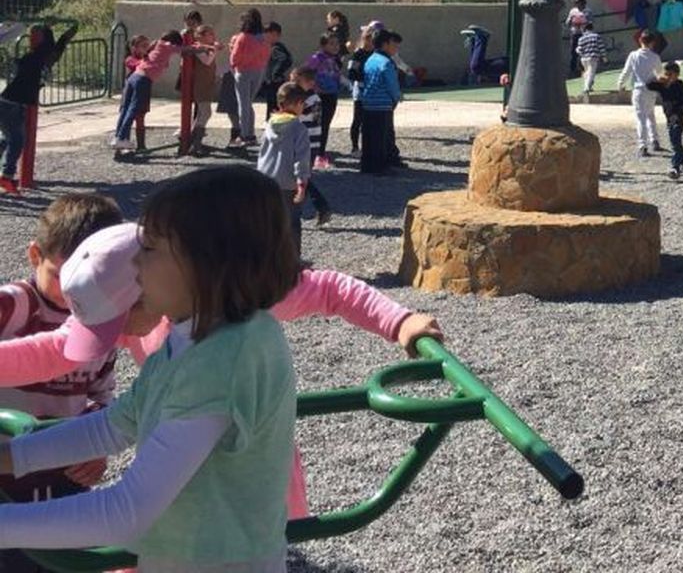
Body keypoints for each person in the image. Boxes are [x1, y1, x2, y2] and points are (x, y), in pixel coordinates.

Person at [0, 218, 442, 531]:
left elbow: (329, 289)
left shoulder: (231, 325)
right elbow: (67, 361)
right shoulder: (152, 327)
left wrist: (397, 321)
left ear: (145, 290)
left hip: (239, 493)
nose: (107, 337)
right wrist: (18, 457)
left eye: (111, 326)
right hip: (178, 475)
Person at [0, 166, 301, 566]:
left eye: (151, 248)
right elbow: (114, 424)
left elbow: (127, 513)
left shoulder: (226, 356)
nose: (136, 264)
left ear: (206, 262)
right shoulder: (191, 337)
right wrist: (13, 456)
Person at [0, 192, 124, 557]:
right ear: (35, 255)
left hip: (61, 469)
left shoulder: (104, 321)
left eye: (92, 280)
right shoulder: (15, 306)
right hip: (5, 467)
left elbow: (102, 395)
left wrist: (97, 448)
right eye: (63, 275)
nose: (75, 292)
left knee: (64, 559)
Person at [0, 23, 76, 190]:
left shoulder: (43, 56)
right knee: (17, 140)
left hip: (14, 102)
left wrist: (65, 31)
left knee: (8, 139)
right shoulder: (34, 57)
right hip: (11, 102)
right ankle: (7, 176)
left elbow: (61, 43)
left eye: (35, 37)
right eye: (31, 36)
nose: (31, 40)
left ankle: (6, 176)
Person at [259, 83, 311, 255]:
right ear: (296, 104)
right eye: (302, 103)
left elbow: (262, 153)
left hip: (266, 180)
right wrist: (302, 183)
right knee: (292, 224)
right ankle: (292, 262)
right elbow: (301, 159)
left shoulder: (269, 125)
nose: (303, 107)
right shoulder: (299, 129)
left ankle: (269, 259)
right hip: (288, 183)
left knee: (270, 223)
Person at [113, 30, 182, 154]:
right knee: (130, 111)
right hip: (139, 83)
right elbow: (140, 64)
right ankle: (122, 139)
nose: (146, 47)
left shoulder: (152, 53)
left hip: (137, 83)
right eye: (143, 46)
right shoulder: (132, 58)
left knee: (137, 115)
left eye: (147, 44)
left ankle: (131, 143)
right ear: (133, 48)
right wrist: (152, 52)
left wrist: (151, 52)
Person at [290, 68, 334, 227]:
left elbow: (298, 115)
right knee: (301, 175)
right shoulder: (308, 97)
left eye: (295, 80)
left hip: (306, 141)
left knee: (301, 175)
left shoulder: (309, 99)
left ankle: (318, 207)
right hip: (307, 141)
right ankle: (318, 207)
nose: (292, 83)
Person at [359, 29, 404, 177]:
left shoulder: (370, 60)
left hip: (368, 103)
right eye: (393, 44)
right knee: (381, 137)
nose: (395, 47)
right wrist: (397, 97)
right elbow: (391, 84)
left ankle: (367, 164)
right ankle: (380, 166)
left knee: (369, 136)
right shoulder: (386, 63)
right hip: (382, 104)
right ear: (385, 44)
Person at [227, 8, 271, 148]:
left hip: (243, 72)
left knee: (243, 104)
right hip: (258, 71)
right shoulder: (263, 38)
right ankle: (250, 134)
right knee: (248, 103)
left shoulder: (243, 37)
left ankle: (245, 135)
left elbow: (234, 56)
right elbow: (266, 55)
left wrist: (235, 66)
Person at [617, 30, 665, 158]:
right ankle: (655, 140)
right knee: (651, 115)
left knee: (641, 118)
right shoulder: (655, 57)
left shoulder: (633, 55)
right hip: (651, 90)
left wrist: (620, 83)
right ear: (652, 43)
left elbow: (626, 71)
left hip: (638, 90)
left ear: (640, 41)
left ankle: (642, 145)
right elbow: (660, 74)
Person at [646, 61, 683, 180]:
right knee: (676, 141)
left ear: (676, 75)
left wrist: (679, 112)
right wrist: (658, 79)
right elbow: (649, 85)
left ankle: (675, 167)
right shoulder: (663, 85)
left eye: (670, 74)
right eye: (666, 74)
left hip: (678, 118)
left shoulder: (680, 85)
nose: (667, 76)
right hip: (669, 117)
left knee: (675, 142)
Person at [304, 33, 343, 171]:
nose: (335, 46)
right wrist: (315, 88)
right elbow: (307, 73)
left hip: (331, 95)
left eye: (337, 44)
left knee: (325, 124)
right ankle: (315, 154)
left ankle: (321, 153)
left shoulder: (335, 59)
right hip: (319, 96)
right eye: (331, 43)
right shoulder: (316, 58)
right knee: (317, 124)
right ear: (323, 45)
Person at [183, 25, 219, 154]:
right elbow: (207, 61)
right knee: (205, 112)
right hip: (201, 84)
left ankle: (192, 141)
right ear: (201, 36)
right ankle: (195, 144)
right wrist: (214, 49)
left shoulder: (206, 48)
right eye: (210, 34)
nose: (213, 37)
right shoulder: (198, 48)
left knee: (202, 114)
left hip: (207, 84)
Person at [343, 24, 377, 156]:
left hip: (373, 90)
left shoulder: (376, 54)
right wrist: (365, 78)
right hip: (361, 90)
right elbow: (352, 73)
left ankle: (369, 146)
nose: (370, 41)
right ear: (364, 38)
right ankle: (354, 147)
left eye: (373, 38)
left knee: (370, 121)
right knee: (358, 119)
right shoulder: (358, 54)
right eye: (368, 38)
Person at [259, 23, 293, 117]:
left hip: (274, 83)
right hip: (273, 82)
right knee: (273, 106)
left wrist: (275, 74)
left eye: (266, 34)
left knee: (273, 107)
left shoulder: (276, 48)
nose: (264, 37)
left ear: (275, 35)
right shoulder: (276, 47)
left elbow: (285, 59)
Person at [575, 22, 608, 104]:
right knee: (591, 73)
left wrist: (581, 54)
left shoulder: (581, 38)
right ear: (592, 28)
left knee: (587, 73)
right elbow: (601, 47)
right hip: (593, 57)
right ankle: (586, 89)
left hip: (584, 58)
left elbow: (578, 49)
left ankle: (589, 87)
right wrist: (604, 58)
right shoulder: (596, 36)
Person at [565, 0, 590, 78]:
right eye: (576, 3)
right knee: (573, 52)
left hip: (584, 34)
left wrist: (583, 21)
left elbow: (591, 23)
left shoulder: (588, 11)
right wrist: (571, 21)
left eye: (579, 3)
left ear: (583, 3)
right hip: (575, 33)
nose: (577, 5)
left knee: (584, 52)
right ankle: (573, 70)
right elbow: (567, 22)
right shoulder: (573, 11)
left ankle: (583, 69)